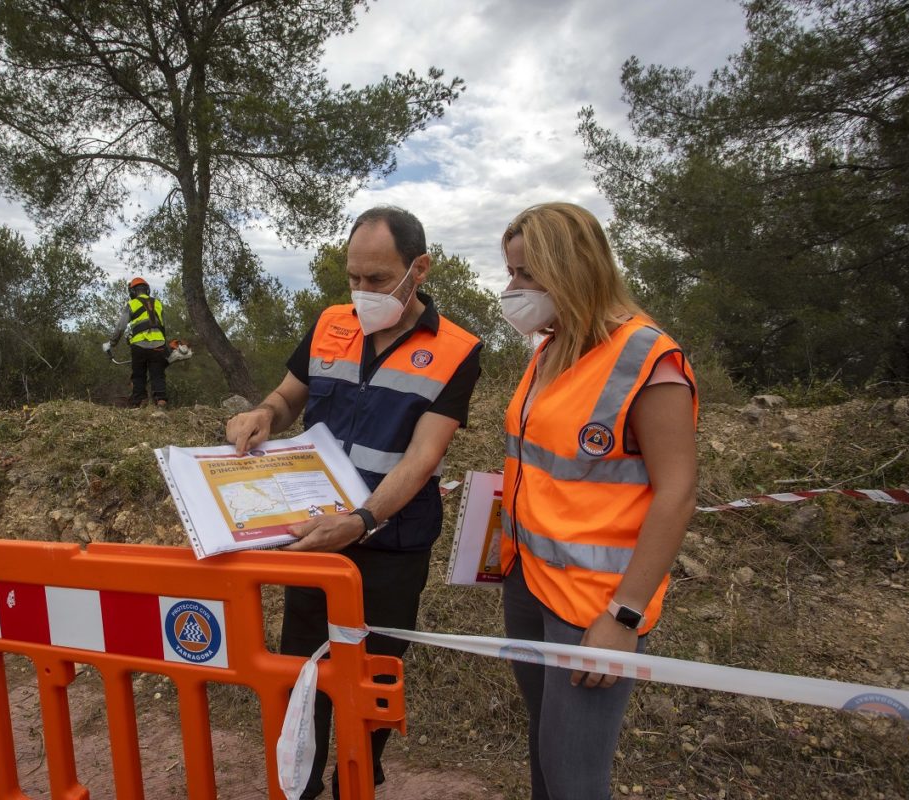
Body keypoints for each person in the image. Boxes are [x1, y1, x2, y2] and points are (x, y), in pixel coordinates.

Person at [226, 206, 483, 799]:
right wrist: (263, 413)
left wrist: (364, 520)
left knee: (373, 676)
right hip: (314, 536)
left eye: (376, 278)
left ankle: (358, 782)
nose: (361, 292)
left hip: (391, 542)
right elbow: (290, 396)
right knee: (304, 672)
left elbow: (422, 459)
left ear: (419, 268)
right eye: (352, 278)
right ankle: (302, 784)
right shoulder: (328, 324)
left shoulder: (458, 350)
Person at [496, 202, 698, 799]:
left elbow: (678, 493)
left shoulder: (649, 358)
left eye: (527, 274)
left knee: (574, 778)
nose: (513, 290)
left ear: (573, 267)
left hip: (594, 608)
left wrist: (624, 618)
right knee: (544, 755)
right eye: (511, 273)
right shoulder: (552, 348)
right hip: (527, 582)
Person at [107, 277, 170, 407]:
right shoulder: (158, 303)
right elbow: (163, 326)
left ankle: (139, 401)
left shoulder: (132, 304)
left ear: (133, 292)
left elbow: (120, 327)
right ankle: (161, 400)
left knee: (138, 374)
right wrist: (165, 346)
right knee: (157, 374)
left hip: (139, 345)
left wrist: (112, 343)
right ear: (147, 290)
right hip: (159, 344)